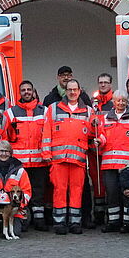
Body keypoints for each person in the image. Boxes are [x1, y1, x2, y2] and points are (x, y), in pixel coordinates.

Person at [44, 79, 94, 234]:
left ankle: (74, 222)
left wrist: (98, 140)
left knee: (77, 190)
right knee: (59, 190)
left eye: (75, 89)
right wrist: (46, 153)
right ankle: (59, 223)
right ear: (65, 91)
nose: (72, 92)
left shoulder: (88, 111)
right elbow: (46, 133)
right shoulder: (53, 109)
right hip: (58, 159)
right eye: (69, 89)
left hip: (78, 160)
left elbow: (94, 134)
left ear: (80, 91)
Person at [8, 80, 51, 231]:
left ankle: (39, 220)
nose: (26, 92)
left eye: (29, 90)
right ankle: (23, 219)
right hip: (20, 163)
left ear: (33, 92)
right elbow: (6, 137)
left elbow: (49, 135)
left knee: (39, 191)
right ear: (19, 93)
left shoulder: (45, 111)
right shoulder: (11, 112)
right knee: (20, 192)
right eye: (23, 90)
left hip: (39, 160)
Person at [97, 91, 129, 232]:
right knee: (111, 193)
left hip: (127, 165)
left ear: (127, 101)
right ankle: (113, 221)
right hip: (109, 164)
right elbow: (102, 137)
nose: (121, 103)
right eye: (118, 100)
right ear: (113, 102)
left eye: (123, 100)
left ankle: (128, 223)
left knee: (126, 193)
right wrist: (99, 141)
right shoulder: (105, 118)